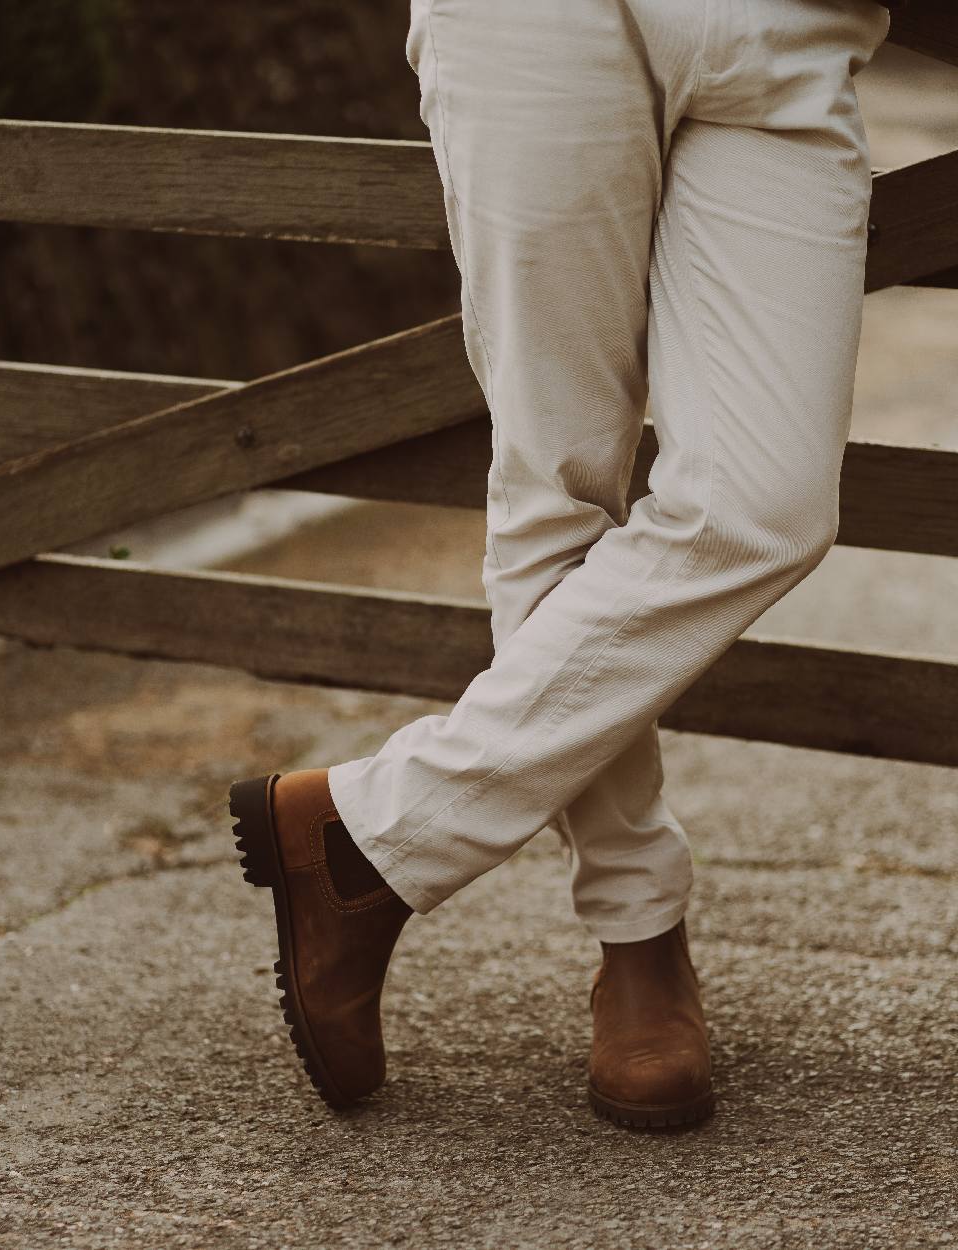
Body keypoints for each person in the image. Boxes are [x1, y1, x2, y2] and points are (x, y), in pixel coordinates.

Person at [228, 0, 894, 1130]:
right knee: (560, 481)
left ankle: (373, 829)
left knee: (766, 499)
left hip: (786, 22)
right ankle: (638, 941)